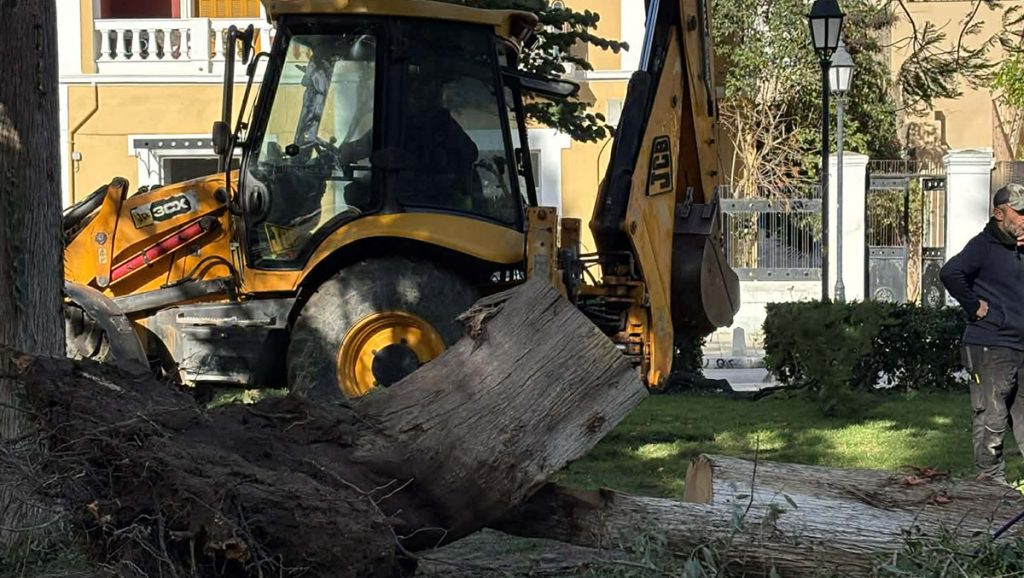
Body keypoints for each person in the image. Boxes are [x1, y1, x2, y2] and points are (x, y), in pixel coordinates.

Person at [940, 183, 1024, 483]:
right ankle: (989, 483)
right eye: (1020, 212)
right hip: (989, 345)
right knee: (992, 416)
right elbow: (950, 272)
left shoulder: (1020, 248)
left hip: (1019, 345)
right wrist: (975, 306)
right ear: (999, 213)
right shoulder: (983, 245)